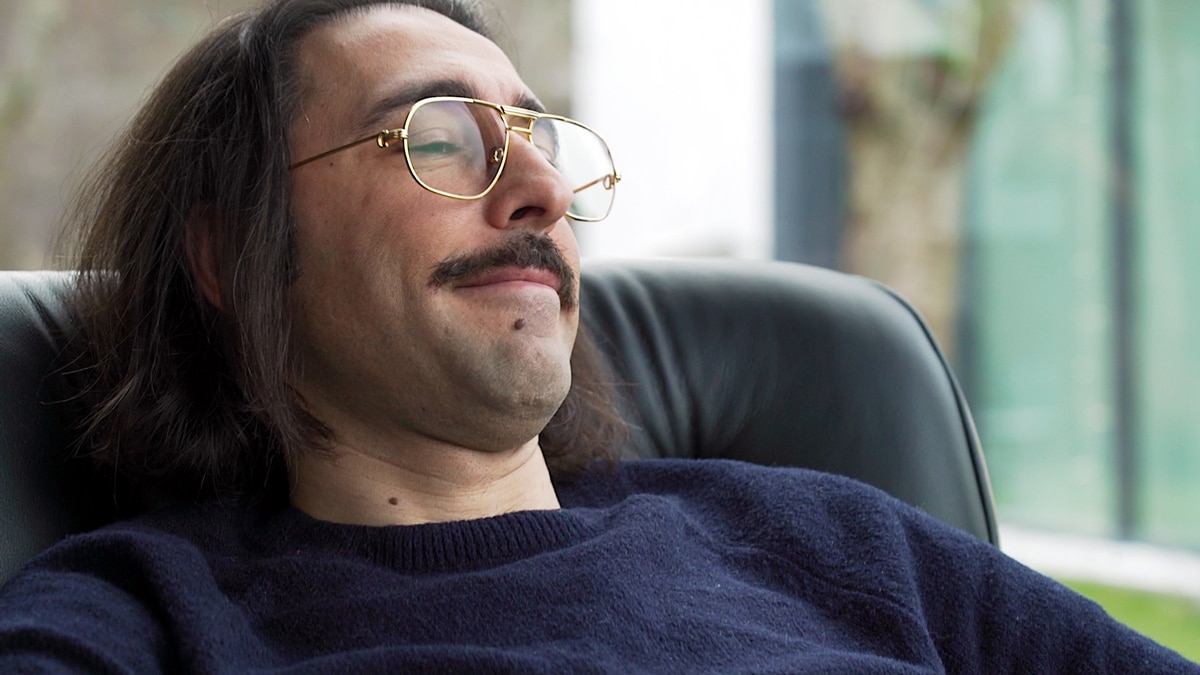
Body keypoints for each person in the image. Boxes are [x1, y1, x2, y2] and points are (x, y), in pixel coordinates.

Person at [0, 0, 1194, 671]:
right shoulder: (138, 622)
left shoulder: (840, 540)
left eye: (539, 140)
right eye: (439, 139)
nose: (541, 192)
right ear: (232, 257)